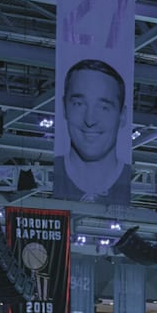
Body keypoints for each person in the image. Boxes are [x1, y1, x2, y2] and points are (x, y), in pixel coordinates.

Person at [53, 58, 131, 204]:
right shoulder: (54, 172)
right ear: (64, 108)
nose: (90, 120)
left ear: (123, 115)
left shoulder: (127, 176)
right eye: (79, 104)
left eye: (103, 107)